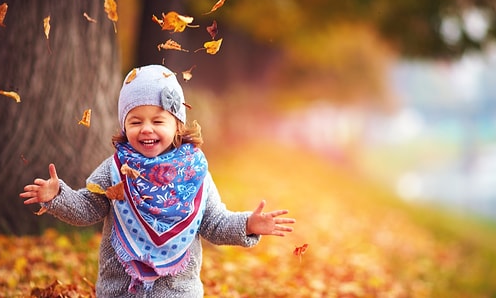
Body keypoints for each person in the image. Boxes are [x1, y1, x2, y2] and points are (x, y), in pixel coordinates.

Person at [19, 64, 295, 297]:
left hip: (178, 292)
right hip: (120, 291)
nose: (146, 129)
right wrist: (58, 196)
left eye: (158, 121)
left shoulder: (194, 173)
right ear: (124, 127)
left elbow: (214, 223)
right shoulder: (115, 170)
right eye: (136, 121)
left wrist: (248, 224)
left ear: (177, 124)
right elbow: (89, 208)